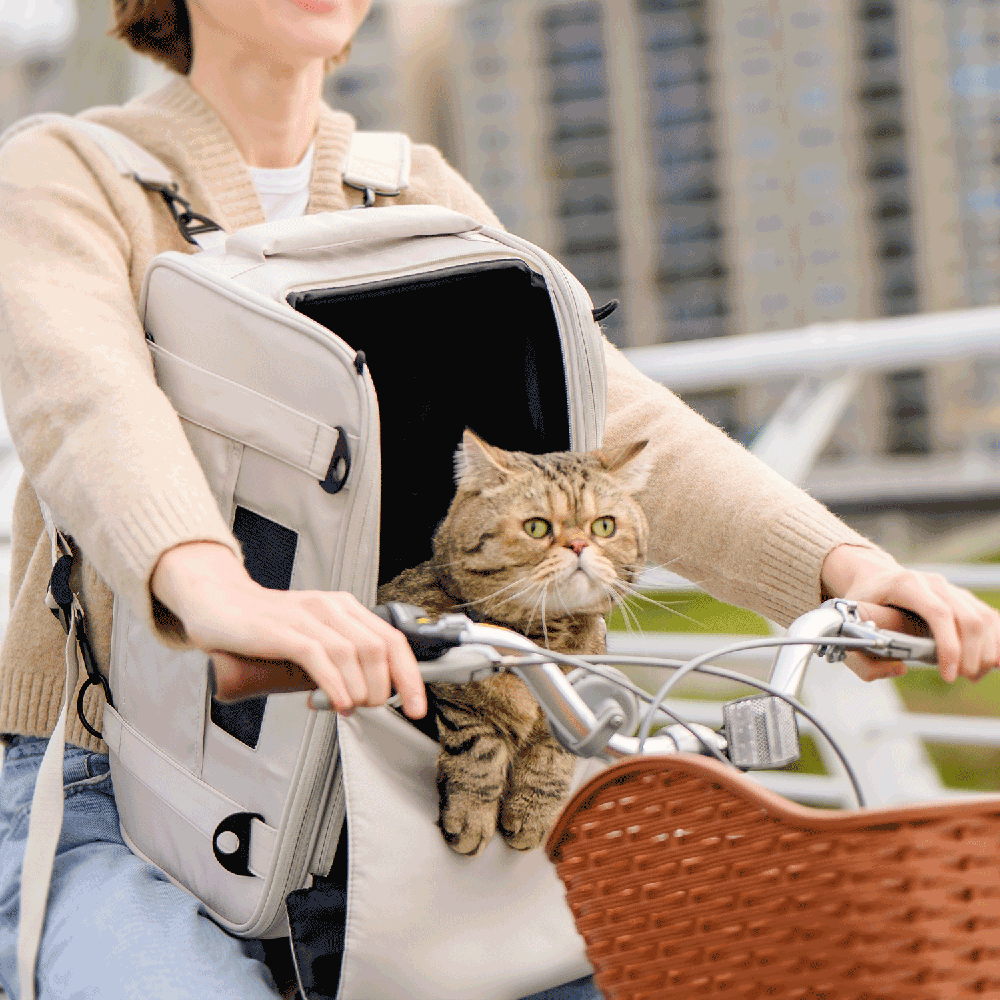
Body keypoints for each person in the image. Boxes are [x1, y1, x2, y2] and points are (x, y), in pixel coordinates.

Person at [0, 1, 996, 997]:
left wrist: (845, 568)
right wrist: (216, 589)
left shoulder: (408, 187)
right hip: (116, 779)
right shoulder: (68, 171)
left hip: (409, 771)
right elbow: (87, 401)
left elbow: (608, 411)